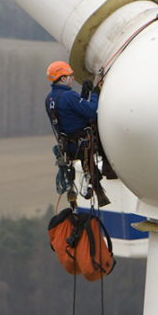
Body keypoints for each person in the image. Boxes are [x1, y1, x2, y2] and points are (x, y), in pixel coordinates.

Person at [44, 60, 110, 206]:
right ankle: (109, 168)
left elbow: (72, 114)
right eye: (69, 76)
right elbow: (92, 112)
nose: (72, 78)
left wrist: (84, 94)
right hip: (83, 144)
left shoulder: (49, 99)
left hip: (69, 146)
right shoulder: (69, 96)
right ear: (62, 78)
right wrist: (94, 95)